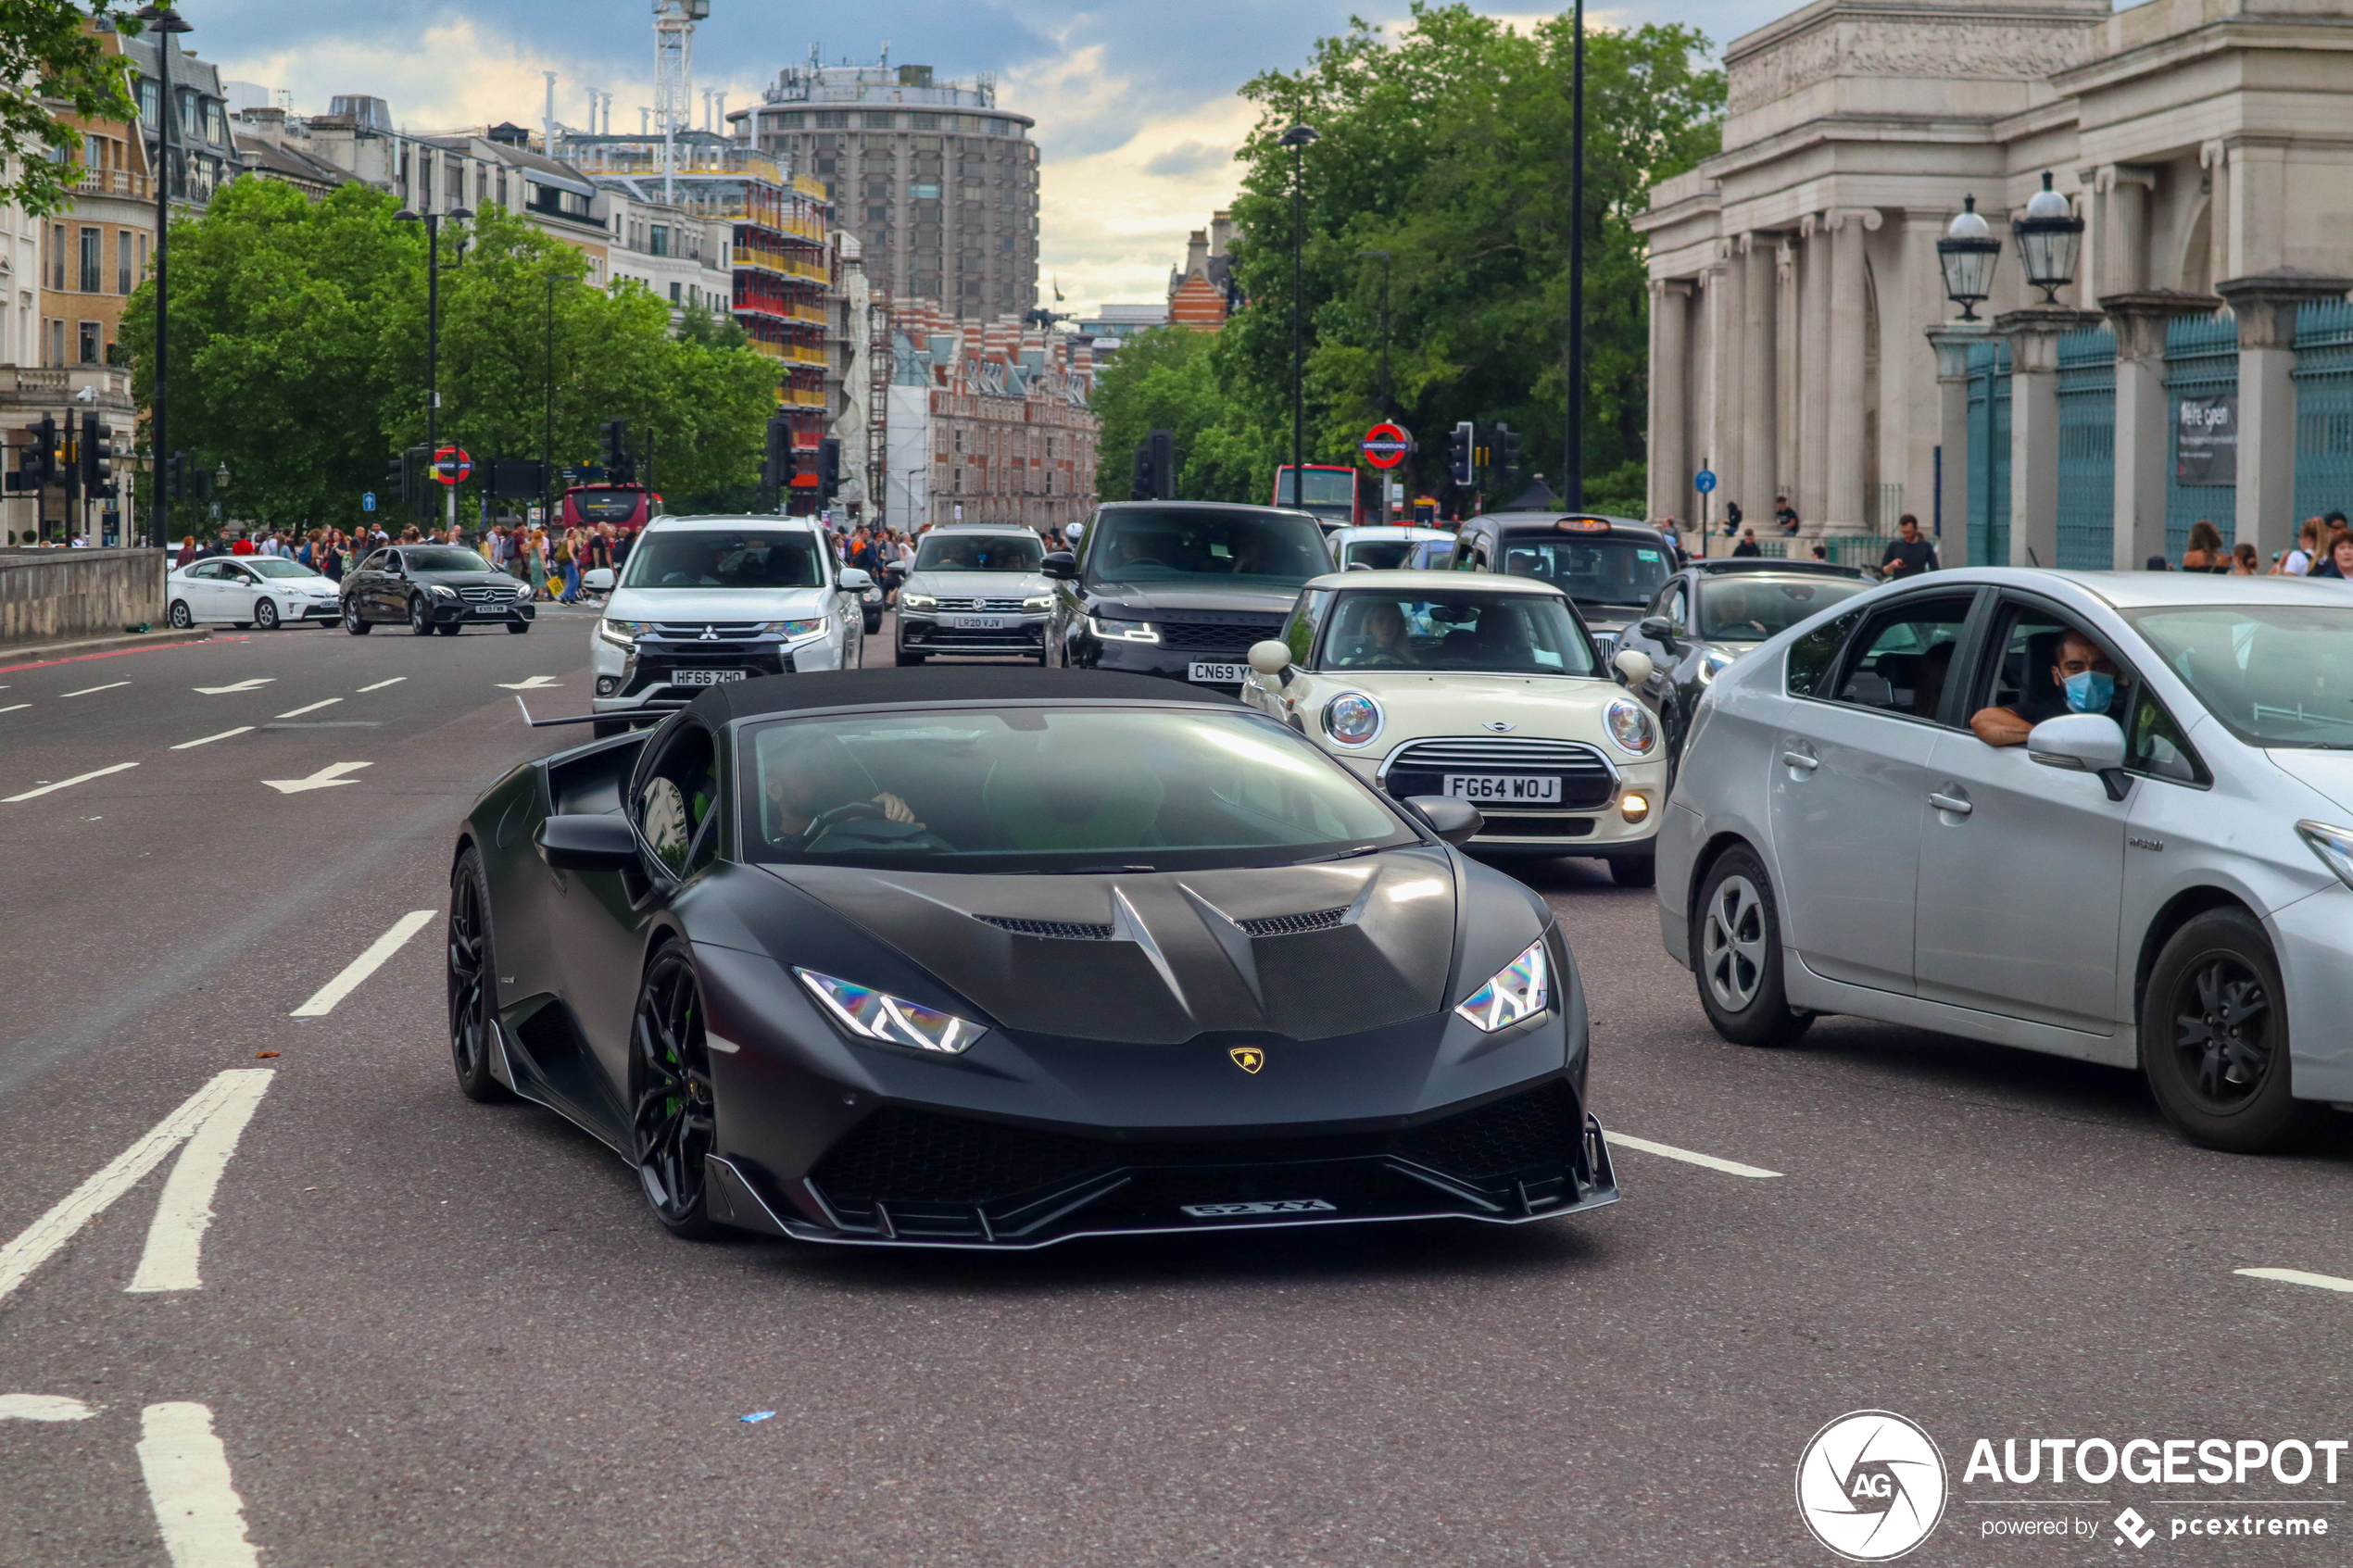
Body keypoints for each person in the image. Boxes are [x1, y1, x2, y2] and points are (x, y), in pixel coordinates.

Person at [1969, 628, 2127, 747]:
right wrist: (2049, 736)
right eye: (2075, 668)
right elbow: (1983, 721)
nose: (2090, 677)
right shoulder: (2042, 714)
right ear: (2057, 675)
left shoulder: (2131, 713)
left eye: (2100, 667)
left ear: (2116, 670)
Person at [1880, 514, 1937, 580]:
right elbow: (1883, 572)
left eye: (1908, 532)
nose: (1905, 536)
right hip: (1900, 586)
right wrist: (1892, 565)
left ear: (1916, 529)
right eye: (1903, 532)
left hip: (1918, 586)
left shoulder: (1926, 546)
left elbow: (1935, 570)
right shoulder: (1895, 545)